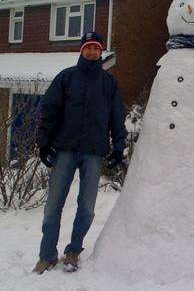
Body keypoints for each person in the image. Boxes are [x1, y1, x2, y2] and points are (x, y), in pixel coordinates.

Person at [32, 32, 127, 274]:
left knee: (87, 207)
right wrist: (44, 143)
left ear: (101, 51)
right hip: (65, 149)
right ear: (82, 50)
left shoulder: (109, 83)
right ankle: (47, 255)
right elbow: (49, 110)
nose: (92, 52)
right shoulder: (66, 78)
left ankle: (73, 251)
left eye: (96, 48)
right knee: (53, 205)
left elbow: (117, 117)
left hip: (93, 153)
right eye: (88, 48)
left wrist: (118, 147)